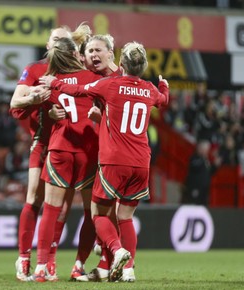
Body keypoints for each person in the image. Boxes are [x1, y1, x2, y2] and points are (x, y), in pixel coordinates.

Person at [41, 41, 169, 282]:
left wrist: (54, 83)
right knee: (126, 217)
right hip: (142, 162)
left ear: (120, 63)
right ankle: (128, 269)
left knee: (98, 214)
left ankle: (116, 248)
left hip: (114, 161)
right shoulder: (151, 89)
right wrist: (164, 85)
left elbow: (79, 90)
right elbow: (164, 100)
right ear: (143, 67)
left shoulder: (110, 84)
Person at [9, 23, 92, 281]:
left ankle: (49, 261)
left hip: (67, 143)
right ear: (47, 45)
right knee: (34, 198)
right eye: (54, 40)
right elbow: (15, 102)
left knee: (61, 209)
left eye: (62, 42)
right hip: (44, 142)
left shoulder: (77, 72)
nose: (57, 45)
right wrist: (35, 100)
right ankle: (24, 258)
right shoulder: (35, 70)